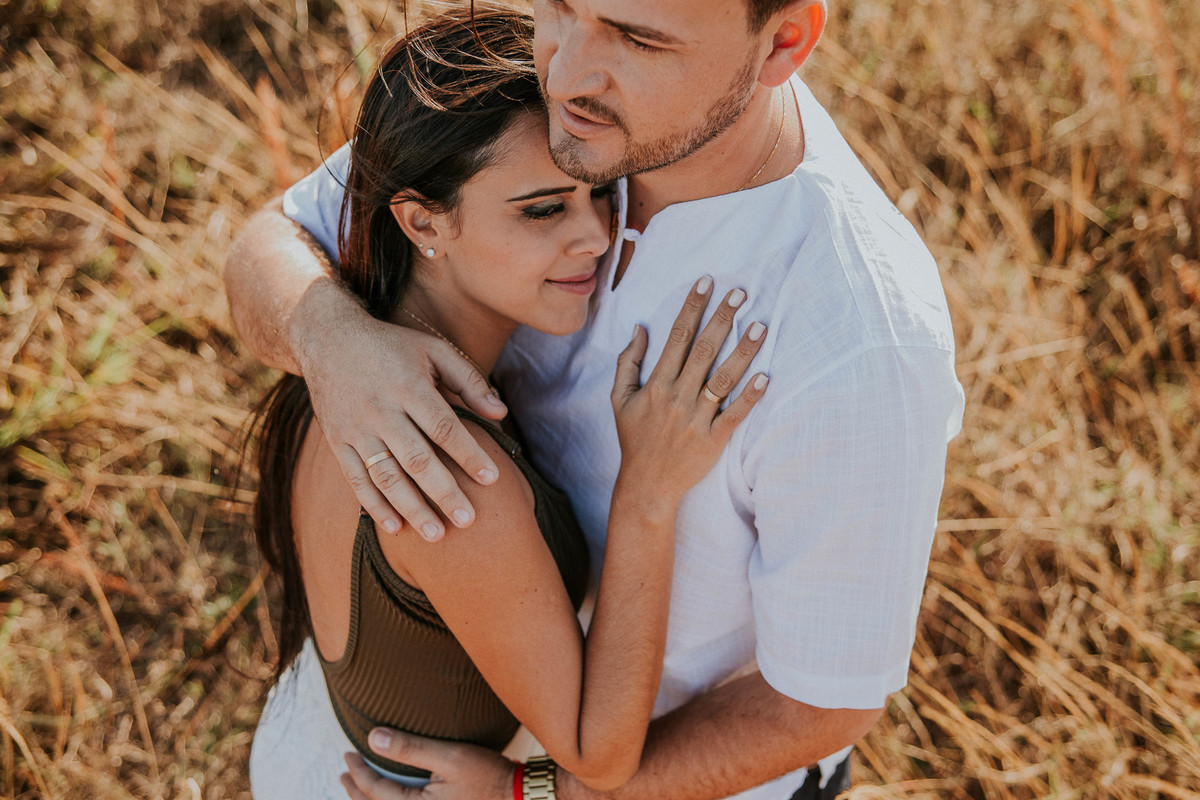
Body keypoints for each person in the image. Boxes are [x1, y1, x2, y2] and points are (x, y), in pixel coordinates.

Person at [225, 0, 967, 797]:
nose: (567, 73)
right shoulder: (534, 101)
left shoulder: (857, 343)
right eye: (560, 4)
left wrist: (536, 794)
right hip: (389, 726)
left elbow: (821, 707)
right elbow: (274, 242)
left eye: (641, 39)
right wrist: (337, 346)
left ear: (783, 42)